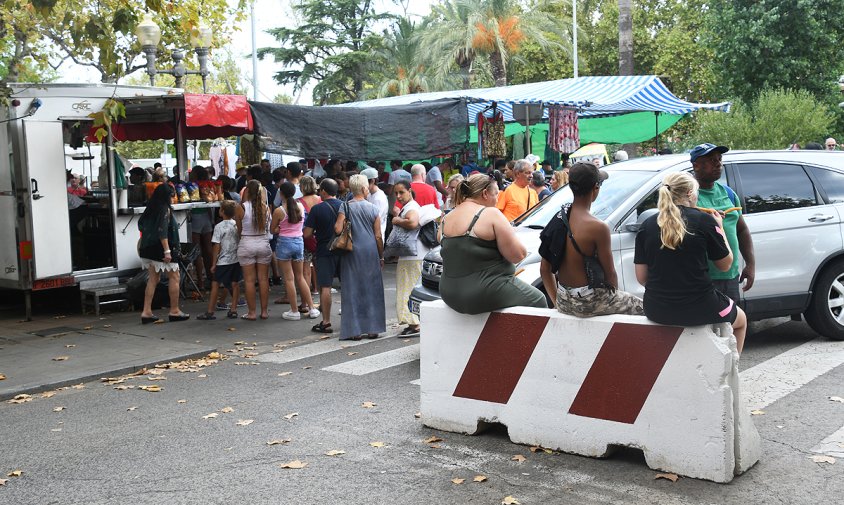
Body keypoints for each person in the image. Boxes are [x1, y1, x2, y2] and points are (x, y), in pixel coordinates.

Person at [633, 172, 747, 353]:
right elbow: (725, 265)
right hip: (701, 306)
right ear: (689, 194)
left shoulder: (647, 225)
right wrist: (720, 228)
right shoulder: (705, 221)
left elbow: (641, 277)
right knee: (741, 321)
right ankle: (733, 375)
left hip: (657, 309)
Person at [539, 163, 643, 317]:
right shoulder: (598, 227)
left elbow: (544, 269)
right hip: (589, 301)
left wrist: (557, 303)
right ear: (596, 187)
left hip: (564, 300)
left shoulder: (559, 217)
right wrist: (614, 299)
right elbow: (610, 275)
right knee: (643, 308)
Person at [439, 173, 546, 314]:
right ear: (485, 193)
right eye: (496, 194)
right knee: (538, 300)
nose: (497, 200)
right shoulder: (490, 214)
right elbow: (518, 255)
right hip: (482, 291)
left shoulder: (446, 218)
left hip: (448, 292)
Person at [690, 143, 755, 302]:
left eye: (719, 159)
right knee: (703, 326)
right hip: (699, 278)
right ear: (696, 165)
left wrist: (750, 264)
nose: (718, 163)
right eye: (711, 160)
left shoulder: (728, 193)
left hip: (730, 277)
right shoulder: (688, 196)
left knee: (731, 325)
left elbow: (742, 230)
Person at [334, 174, 386, 340]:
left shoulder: (345, 207)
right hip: (370, 250)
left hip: (351, 251)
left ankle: (354, 330)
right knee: (372, 288)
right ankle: (373, 328)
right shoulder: (372, 208)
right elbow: (378, 236)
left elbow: (337, 229)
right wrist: (381, 255)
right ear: (364, 189)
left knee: (352, 288)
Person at [138, 184, 189, 324]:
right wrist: (167, 251)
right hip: (163, 248)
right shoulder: (164, 209)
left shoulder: (150, 208)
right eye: (171, 196)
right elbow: (163, 231)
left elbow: (140, 224)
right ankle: (174, 310)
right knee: (175, 276)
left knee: (153, 278)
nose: (173, 199)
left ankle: (146, 311)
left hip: (147, 247)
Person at [271, 181, 320, 321]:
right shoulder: (300, 206)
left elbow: (272, 229)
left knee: (289, 278)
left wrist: (280, 229)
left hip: (284, 243)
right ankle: (311, 308)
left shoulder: (279, 210)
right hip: (299, 243)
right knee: (300, 277)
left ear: (281, 194)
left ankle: (294, 311)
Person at [389, 181, 429, 338]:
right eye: (396, 193)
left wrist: (397, 220)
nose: (399, 196)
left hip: (412, 256)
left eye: (401, 192)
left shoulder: (412, 207)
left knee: (408, 289)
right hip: (412, 255)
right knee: (409, 288)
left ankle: (415, 323)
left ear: (410, 191)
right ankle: (414, 322)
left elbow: (412, 222)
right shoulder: (411, 206)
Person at [303, 178, 343, 333]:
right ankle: (349, 319)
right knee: (346, 285)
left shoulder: (317, 209)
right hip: (345, 250)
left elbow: (307, 234)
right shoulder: (345, 206)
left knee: (325, 286)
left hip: (324, 251)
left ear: (324, 191)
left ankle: (326, 322)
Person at [197, 201, 242, 320]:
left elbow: (216, 246)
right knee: (235, 283)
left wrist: (213, 263)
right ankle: (233, 309)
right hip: (236, 259)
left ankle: (210, 311)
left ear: (222, 211)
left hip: (223, 260)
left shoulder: (218, 227)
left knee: (215, 284)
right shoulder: (237, 225)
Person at [236, 180, 273, 320]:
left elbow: (239, 230)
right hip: (263, 243)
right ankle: (264, 312)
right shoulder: (265, 208)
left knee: (249, 281)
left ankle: (251, 312)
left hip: (247, 242)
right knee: (263, 279)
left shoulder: (241, 208)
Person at [298, 176, 321, 302]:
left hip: (305, 238)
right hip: (320, 239)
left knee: (305, 270)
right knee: (320, 268)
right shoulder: (322, 200)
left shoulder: (298, 202)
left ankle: (306, 301)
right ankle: (318, 290)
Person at [362, 167, 388, 236]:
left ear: (373, 181)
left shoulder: (379, 198)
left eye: (364, 183)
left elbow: (375, 220)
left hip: (375, 236)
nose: (362, 185)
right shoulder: (369, 194)